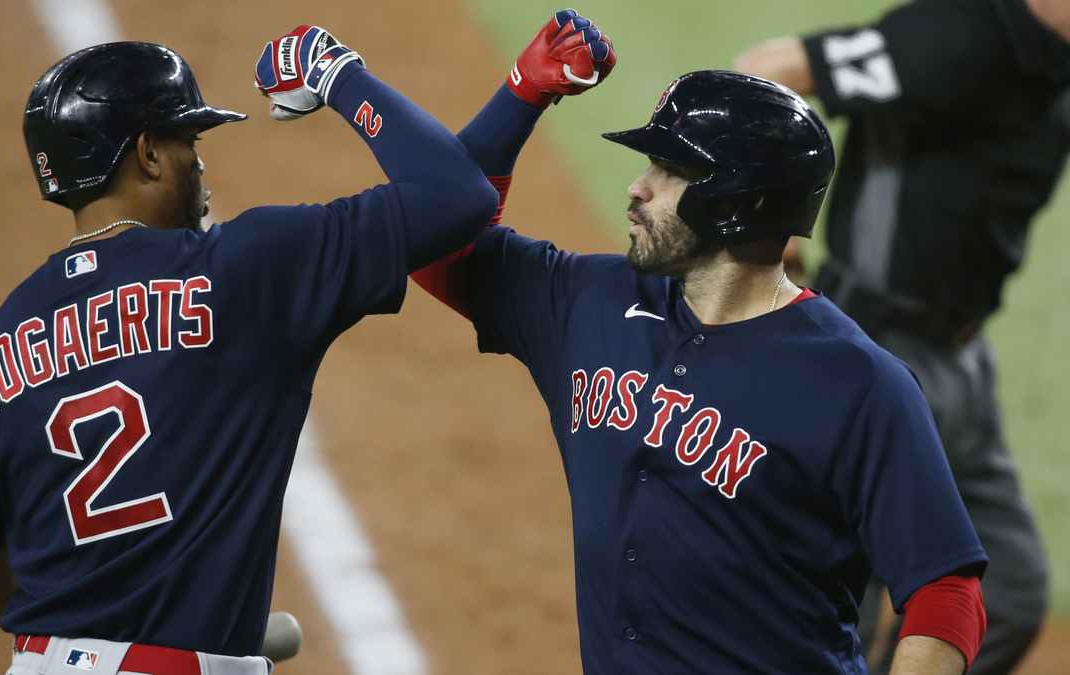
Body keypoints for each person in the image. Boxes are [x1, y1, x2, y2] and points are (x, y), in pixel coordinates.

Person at [410, 11, 990, 675]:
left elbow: (946, 589)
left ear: (733, 203)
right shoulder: (592, 301)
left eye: (667, 169)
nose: (638, 186)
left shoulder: (859, 385)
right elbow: (436, 244)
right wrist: (520, 95)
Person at [0, 30, 499, 675]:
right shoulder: (242, 270)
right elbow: (459, 195)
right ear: (147, 154)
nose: (200, 166)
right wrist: (335, 73)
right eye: (188, 142)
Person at [732, 0, 1070, 671]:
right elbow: (763, 73)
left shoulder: (1050, 61)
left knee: (1006, 592)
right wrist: (760, 228)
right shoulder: (958, 36)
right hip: (873, 348)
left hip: (963, 359)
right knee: (837, 612)